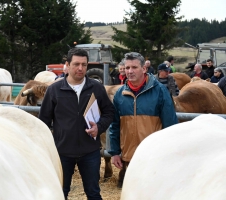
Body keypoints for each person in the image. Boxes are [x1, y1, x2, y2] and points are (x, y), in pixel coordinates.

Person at [39, 48, 115, 200]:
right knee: (61, 193)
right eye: (76, 64)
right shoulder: (54, 90)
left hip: (90, 151)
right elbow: (43, 122)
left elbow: (109, 113)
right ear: (67, 65)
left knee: (93, 193)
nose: (80, 68)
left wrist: (98, 127)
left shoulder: (96, 87)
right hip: (62, 152)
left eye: (84, 64)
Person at [109, 52, 178, 187]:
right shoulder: (120, 94)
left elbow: (170, 125)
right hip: (129, 156)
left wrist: (169, 153)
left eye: (134, 67)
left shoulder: (160, 91)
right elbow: (115, 125)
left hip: (153, 156)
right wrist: (115, 152)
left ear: (144, 69)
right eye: (127, 67)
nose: (130, 71)